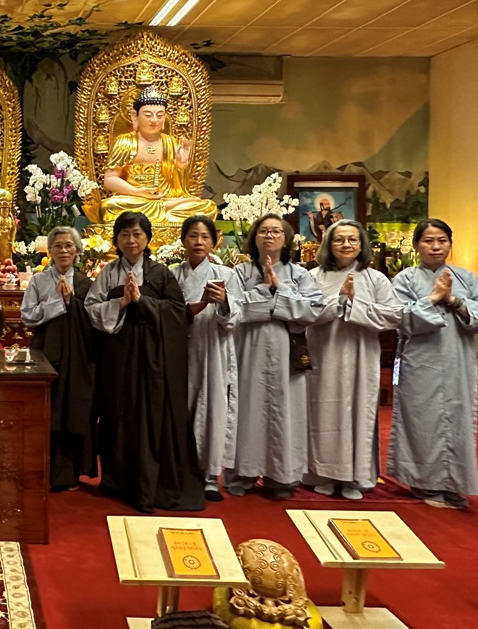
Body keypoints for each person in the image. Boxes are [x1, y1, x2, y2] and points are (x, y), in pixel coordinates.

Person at [84, 211, 204, 511]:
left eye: (137, 234)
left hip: (153, 356)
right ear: (116, 239)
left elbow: (177, 312)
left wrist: (142, 301)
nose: (131, 240)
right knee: (118, 411)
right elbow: (91, 309)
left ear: (148, 238)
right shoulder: (108, 272)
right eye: (124, 234)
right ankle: (118, 481)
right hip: (118, 351)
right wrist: (121, 302)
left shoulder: (161, 273)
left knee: (151, 413)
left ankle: (151, 484)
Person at [225, 214, 324, 499]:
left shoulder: (299, 274)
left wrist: (279, 289)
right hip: (249, 350)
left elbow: (313, 310)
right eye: (264, 231)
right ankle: (243, 473)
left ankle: (281, 477)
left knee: (286, 411)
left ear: (286, 238)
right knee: (248, 409)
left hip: (287, 352)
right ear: (254, 238)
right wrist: (265, 291)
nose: (269, 235)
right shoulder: (240, 272)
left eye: (276, 231)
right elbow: (233, 310)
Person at [305, 220, 401, 500]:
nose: (346, 244)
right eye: (339, 239)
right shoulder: (314, 277)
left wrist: (355, 304)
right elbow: (303, 312)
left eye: (352, 239)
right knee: (323, 412)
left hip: (361, 355)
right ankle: (322, 473)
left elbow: (394, 315)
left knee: (359, 410)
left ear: (361, 245)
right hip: (324, 353)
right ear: (328, 244)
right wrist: (337, 300)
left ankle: (354, 477)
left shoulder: (375, 279)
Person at [389, 218, 478, 510]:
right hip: (420, 361)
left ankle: (453, 484)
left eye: (442, 240)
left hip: (458, 360)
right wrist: (432, 299)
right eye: (428, 240)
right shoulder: (404, 279)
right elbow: (400, 318)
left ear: (450, 244)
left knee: (459, 419)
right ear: (416, 245)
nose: (436, 246)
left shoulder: (467, 278)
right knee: (422, 420)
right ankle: (424, 482)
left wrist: (453, 301)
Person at [170, 215, 240, 502]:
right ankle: (179, 470)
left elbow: (236, 317)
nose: (198, 242)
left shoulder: (227, 275)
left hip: (213, 348)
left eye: (204, 237)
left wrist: (223, 302)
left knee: (213, 407)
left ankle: (210, 476)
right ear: (183, 240)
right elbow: (166, 312)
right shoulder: (172, 274)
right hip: (179, 349)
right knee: (179, 407)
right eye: (192, 236)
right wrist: (194, 307)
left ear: (214, 242)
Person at [21, 226, 95, 491]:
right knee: (46, 411)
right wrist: (58, 302)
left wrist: (73, 302)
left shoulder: (87, 284)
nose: (63, 251)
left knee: (73, 412)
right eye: (58, 246)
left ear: (77, 251)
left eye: (68, 246)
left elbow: (94, 321)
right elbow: (27, 316)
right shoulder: (39, 281)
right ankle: (40, 471)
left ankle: (69, 474)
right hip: (46, 352)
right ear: (49, 251)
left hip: (78, 356)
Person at [99, 86, 218, 224]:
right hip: (134, 199)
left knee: (207, 207)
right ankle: (163, 210)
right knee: (108, 206)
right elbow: (109, 179)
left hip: (166, 198)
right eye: (148, 115)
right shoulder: (124, 142)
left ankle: (163, 209)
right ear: (134, 116)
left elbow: (177, 187)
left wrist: (181, 164)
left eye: (160, 115)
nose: (154, 120)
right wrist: (138, 192)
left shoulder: (171, 143)